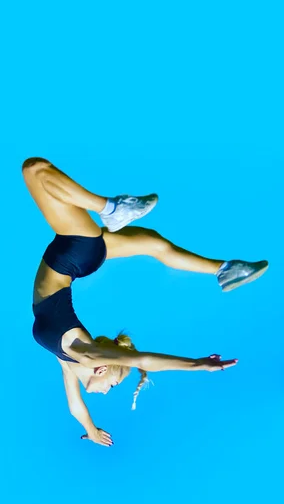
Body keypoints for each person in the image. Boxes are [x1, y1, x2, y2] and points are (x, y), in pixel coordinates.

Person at [23, 157, 268, 447]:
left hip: (77, 256)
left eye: (113, 387)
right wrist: (198, 365)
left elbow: (75, 407)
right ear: (103, 367)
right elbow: (144, 360)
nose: (107, 392)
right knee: (34, 170)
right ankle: (112, 209)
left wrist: (90, 430)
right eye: (113, 385)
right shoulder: (86, 354)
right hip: (75, 253)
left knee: (154, 243)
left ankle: (224, 270)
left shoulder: (69, 362)